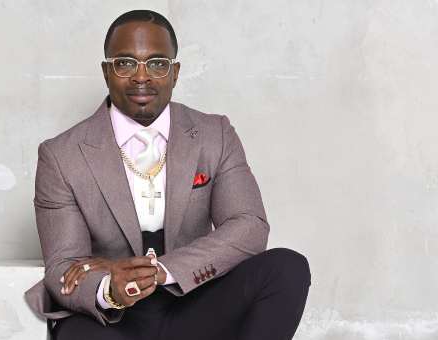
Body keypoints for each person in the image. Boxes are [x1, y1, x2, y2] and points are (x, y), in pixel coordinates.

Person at [24, 9, 311, 340]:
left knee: (287, 268)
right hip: (116, 321)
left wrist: (161, 271)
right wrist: (111, 289)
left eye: (157, 64)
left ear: (175, 73)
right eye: (125, 63)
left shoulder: (213, 134)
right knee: (75, 336)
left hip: (194, 302)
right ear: (106, 72)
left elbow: (249, 227)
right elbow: (65, 268)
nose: (141, 76)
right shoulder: (61, 155)